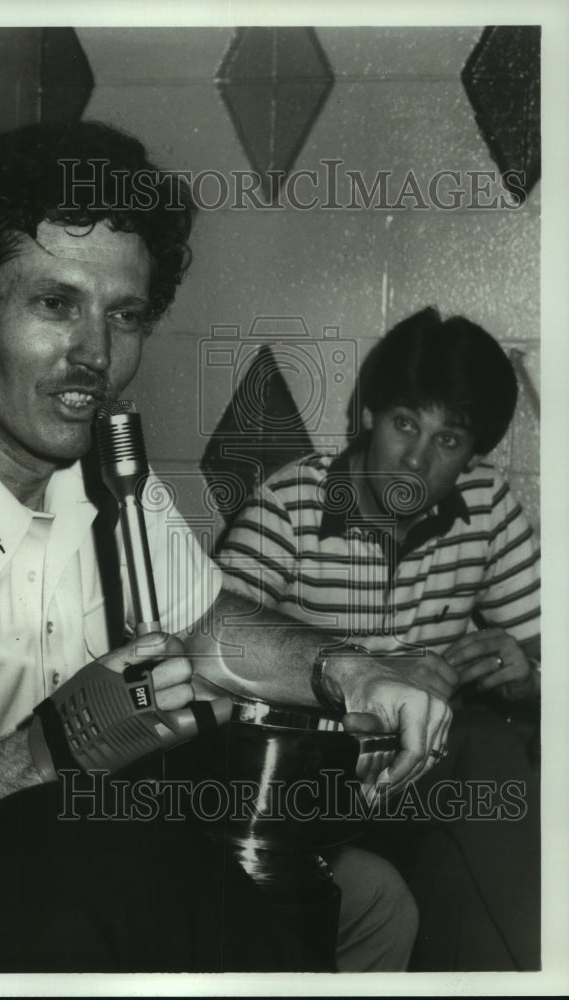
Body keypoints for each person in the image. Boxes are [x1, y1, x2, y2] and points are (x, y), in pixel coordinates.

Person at [0, 122, 449, 972]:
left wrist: (351, 668)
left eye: (125, 315)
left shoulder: (94, 476)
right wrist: (44, 753)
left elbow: (205, 623)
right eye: (54, 304)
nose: (96, 357)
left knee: (367, 898)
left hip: (64, 875)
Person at [217, 307, 541, 970]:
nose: (416, 459)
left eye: (447, 440)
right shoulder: (287, 508)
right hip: (308, 783)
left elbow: (548, 645)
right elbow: (210, 658)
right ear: (370, 415)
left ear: (473, 453)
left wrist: (527, 676)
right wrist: (377, 682)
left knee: (498, 749)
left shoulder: (485, 505)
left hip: (425, 783)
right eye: (404, 425)